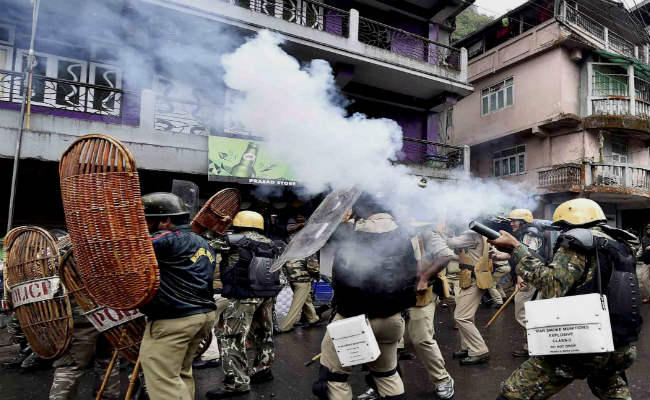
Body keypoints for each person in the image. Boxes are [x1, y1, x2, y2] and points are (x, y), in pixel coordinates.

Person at [491, 198, 641, 400]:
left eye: (562, 227)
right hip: (620, 344)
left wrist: (516, 247)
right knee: (611, 389)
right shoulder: (618, 244)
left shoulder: (577, 243)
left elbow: (553, 285)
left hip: (583, 343)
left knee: (513, 393)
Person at [313, 196, 421, 400]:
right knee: (387, 375)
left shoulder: (347, 231)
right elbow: (414, 270)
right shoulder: (406, 234)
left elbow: (319, 232)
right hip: (392, 318)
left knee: (334, 378)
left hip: (352, 318)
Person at [139, 192, 217, 400]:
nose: (145, 226)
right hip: (203, 316)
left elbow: (129, 249)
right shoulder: (203, 243)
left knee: (163, 380)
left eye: (148, 220)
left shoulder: (166, 238)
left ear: (165, 220)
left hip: (174, 320)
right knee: (181, 373)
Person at [206, 211, 281, 399]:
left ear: (239, 223)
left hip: (242, 296)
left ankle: (237, 383)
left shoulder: (233, 240)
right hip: (266, 296)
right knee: (264, 333)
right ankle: (262, 370)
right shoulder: (270, 243)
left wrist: (217, 227)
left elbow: (205, 244)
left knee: (232, 337)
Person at [50, 236, 120, 400]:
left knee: (73, 363)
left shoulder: (65, 246)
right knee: (107, 361)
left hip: (84, 313)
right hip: (109, 311)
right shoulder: (112, 242)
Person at [448, 229, 490, 365]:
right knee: (467, 316)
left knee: (461, 316)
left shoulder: (472, 234)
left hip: (473, 280)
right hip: (471, 279)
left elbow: (451, 242)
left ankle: (479, 350)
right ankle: (467, 347)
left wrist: (437, 233)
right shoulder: (480, 234)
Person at [508, 208, 545, 358]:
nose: (511, 224)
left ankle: (540, 344)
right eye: (510, 220)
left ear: (523, 221)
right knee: (529, 313)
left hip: (529, 278)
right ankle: (532, 345)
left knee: (522, 313)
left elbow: (530, 255)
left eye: (514, 220)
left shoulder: (529, 233)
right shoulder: (528, 232)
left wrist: (521, 275)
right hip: (532, 276)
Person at [278, 214, 321, 333]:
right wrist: (317, 275)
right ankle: (285, 326)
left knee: (305, 299)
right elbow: (313, 267)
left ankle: (313, 318)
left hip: (292, 278)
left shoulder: (289, 248)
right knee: (297, 303)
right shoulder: (308, 248)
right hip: (303, 280)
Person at [636, 224, 650, 304]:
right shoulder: (644, 238)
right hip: (646, 263)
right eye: (648, 229)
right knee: (644, 280)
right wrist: (635, 256)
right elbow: (641, 249)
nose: (649, 230)